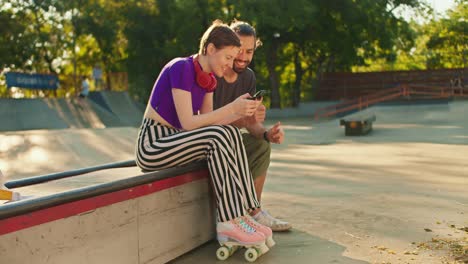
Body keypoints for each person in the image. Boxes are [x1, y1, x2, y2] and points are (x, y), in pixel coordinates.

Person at [135, 20, 275, 252]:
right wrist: (232, 109)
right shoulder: (181, 68)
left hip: (178, 142)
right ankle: (229, 222)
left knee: (228, 132)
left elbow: (211, 123)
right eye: (227, 57)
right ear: (210, 49)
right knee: (219, 136)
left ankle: (245, 212)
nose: (230, 64)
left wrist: (243, 113)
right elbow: (189, 123)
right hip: (154, 145)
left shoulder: (208, 80)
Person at [213, 21, 291, 231]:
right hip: (209, 144)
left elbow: (251, 124)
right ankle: (239, 215)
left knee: (261, 145)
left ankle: (253, 212)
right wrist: (242, 119)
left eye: (250, 51)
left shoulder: (248, 77)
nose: (244, 56)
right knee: (233, 142)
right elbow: (205, 123)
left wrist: (267, 134)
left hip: (229, 142)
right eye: (239, 50)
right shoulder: (213, 71)